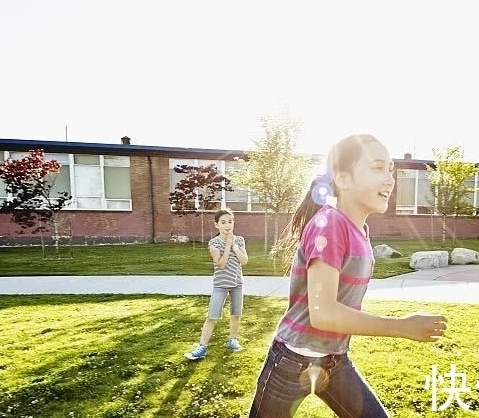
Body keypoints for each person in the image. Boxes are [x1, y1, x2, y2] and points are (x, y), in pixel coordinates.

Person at [248, 134, 449, 418]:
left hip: (333, 359)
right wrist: (401, 327)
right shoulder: (329, 224)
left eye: (390, 169)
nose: (389, 179)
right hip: (291, 362)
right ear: (343, 179)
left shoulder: (358, 231)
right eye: (378, 167)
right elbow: (323, 314)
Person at [184, 208, 248, 360]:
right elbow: (221, 264)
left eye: (230, 222)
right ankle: (202, 347)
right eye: (223, 222)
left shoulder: (240, 240)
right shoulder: (214, 243)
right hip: (220, 284)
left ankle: (232, 340)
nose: (227, 225)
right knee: (212, 316)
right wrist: (227, 246)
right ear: (216, 225)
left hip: (237, 283)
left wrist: (234, 247)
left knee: (236, 314)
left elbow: (244, 261)